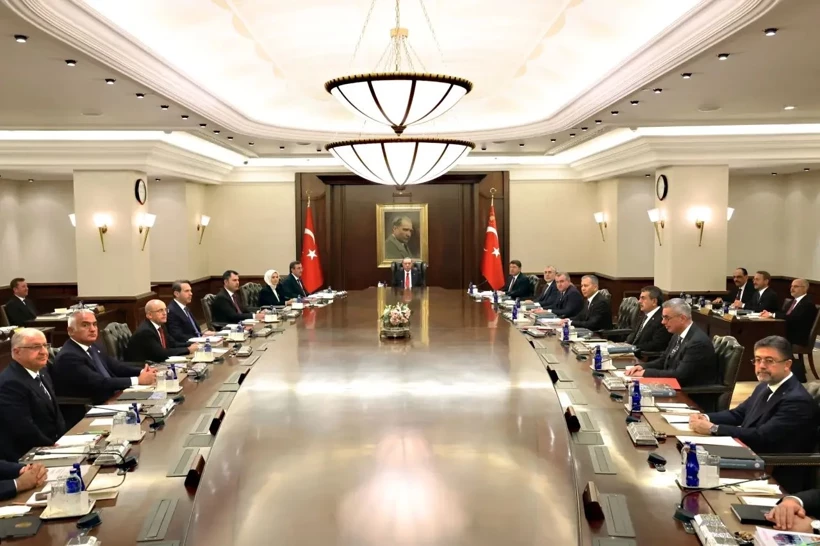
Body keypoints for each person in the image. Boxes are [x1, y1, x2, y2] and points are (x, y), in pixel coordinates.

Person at [688, 336, 817, 492]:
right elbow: (739, 414)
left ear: (787, 364)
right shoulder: (765, 386)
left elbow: (762, 436)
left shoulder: (796, 400)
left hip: (773, 470)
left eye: (769, 361)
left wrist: (714, 428)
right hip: (750, 454)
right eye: (757, 359)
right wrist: (705, 417)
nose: (761, 366)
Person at [51, 310, 156, 427]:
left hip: (112, 398)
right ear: (71, 331)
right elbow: (99, 382)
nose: (92, 329)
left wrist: (142, 371)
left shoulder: (92, 346)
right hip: (91, 408)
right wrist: (138, 380)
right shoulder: (69, 356)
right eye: (85, 325)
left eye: (94, 324)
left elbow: (116, 366)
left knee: (154, 408)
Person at [0, 328, 66, 461]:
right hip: (28, 454)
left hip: (55, 444)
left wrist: (65, 439)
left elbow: (55, 414)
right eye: (35, 347)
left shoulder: (41, 371)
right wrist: (52, 446)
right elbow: (24, 428)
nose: (44, 351)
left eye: (45, 345)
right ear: (17, 352)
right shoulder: (10, 383)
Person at [625, 299, 718, 390]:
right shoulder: (677, 334)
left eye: (667, 318)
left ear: (682, 318)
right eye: (663, 318)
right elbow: (664, 360)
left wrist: (645, 373)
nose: (663, 322)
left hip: (690, 394)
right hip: (673, 386)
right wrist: (642, 367)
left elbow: (679, 376)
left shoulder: (697, 343)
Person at [125, 300, 198, 363]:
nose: (164, 313)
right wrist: (187, 350)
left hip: (157, 362)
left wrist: (192, 344)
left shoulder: (161, 326)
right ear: (149, 315)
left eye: (165, 310)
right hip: (143, 366)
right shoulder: (146, 331)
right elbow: (161, 353)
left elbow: (173, 344)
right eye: (160, 310)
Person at [626, 286, 672, 354]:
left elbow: (656, 345)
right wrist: (624, 346)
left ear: (654, 301)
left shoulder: (662, 319)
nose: (639, 301)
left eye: (643, 298)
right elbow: (635, 337)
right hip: (631, 352)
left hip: (644, 356)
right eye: (640, 298)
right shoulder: (645, 315)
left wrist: (632, 348)